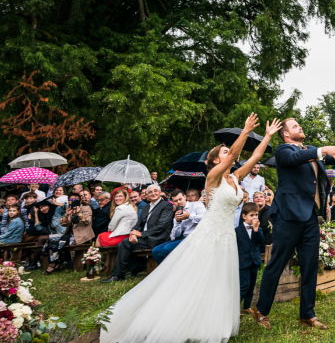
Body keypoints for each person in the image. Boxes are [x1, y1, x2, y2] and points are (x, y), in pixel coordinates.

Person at [101, 113, 280, 343]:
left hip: (226, 237)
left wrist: (266, 136)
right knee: (195, 278)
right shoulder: (213, 177)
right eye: (224, 152)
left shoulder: (235, 177)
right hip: (209, 235)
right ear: (215, 160)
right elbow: (236, 153)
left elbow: (254, 156)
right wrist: (245, 131)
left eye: (228, 151)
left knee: (220, 280)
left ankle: (212, 322)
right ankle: (179, 319)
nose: (230, 154)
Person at [253, 117, 335, 331]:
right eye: (295, 126)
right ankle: (261, 310)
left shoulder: (312, 151)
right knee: (277, 264)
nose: (300, 127)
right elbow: (299, 157)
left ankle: (307, 314)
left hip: (310, 218)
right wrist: (321, 150)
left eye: (299, 124)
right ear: (286, 134)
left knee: (310, 265)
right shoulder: (283, 151)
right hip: (287, 217)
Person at [100, 184, 173, 283]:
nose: (153, 193)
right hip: (145, 238)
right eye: (150, 192)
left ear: (160, 193)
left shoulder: (166, 205)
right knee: (121, 244)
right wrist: (133, 233)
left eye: (155, 191)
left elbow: (162, 226)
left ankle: (118, 275)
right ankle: (137, 266)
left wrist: (141, 234)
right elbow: (139, 223)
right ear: (146, 194)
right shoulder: (147, 207)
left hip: (158, 238)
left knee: (125, 243)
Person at [151, 189, 206, 264]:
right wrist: (177, 222)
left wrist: (189, 216)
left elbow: (205, 218)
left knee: (167, 248)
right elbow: (175, 235)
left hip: (196, 237)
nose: (179, 202)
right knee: (155, 250)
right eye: (176, 201)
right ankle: (167, 272)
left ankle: (176, 271)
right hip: (183, 238)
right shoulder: (177, 213)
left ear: (184, 197)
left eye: (180, 199)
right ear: (173, 202)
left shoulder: (196, 204)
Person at [236, 202, 265, 316]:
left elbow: (260, 241)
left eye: (256, 215)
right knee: (244, 285)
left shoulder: (258, 229)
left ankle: (246, 306)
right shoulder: (237, 230)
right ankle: (235, 308)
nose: (255, 217)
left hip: (254, 261)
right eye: (252, 215)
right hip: (243, 262)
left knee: (251, 285)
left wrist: (256, 230)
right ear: (244, 216)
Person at [25, 199, 54, 271]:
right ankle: (33, 263)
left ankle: (33, 263)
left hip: (61, 234)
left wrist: (56, 203)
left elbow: (65, 206)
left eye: (45, 206)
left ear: (49, 206)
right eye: (41, 208)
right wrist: (35, 213)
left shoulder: (55, 212)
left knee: (40, 239)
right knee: (39, 240)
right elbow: (38, 228)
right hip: (52, 235)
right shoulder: (44, 216)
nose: (43, 209)